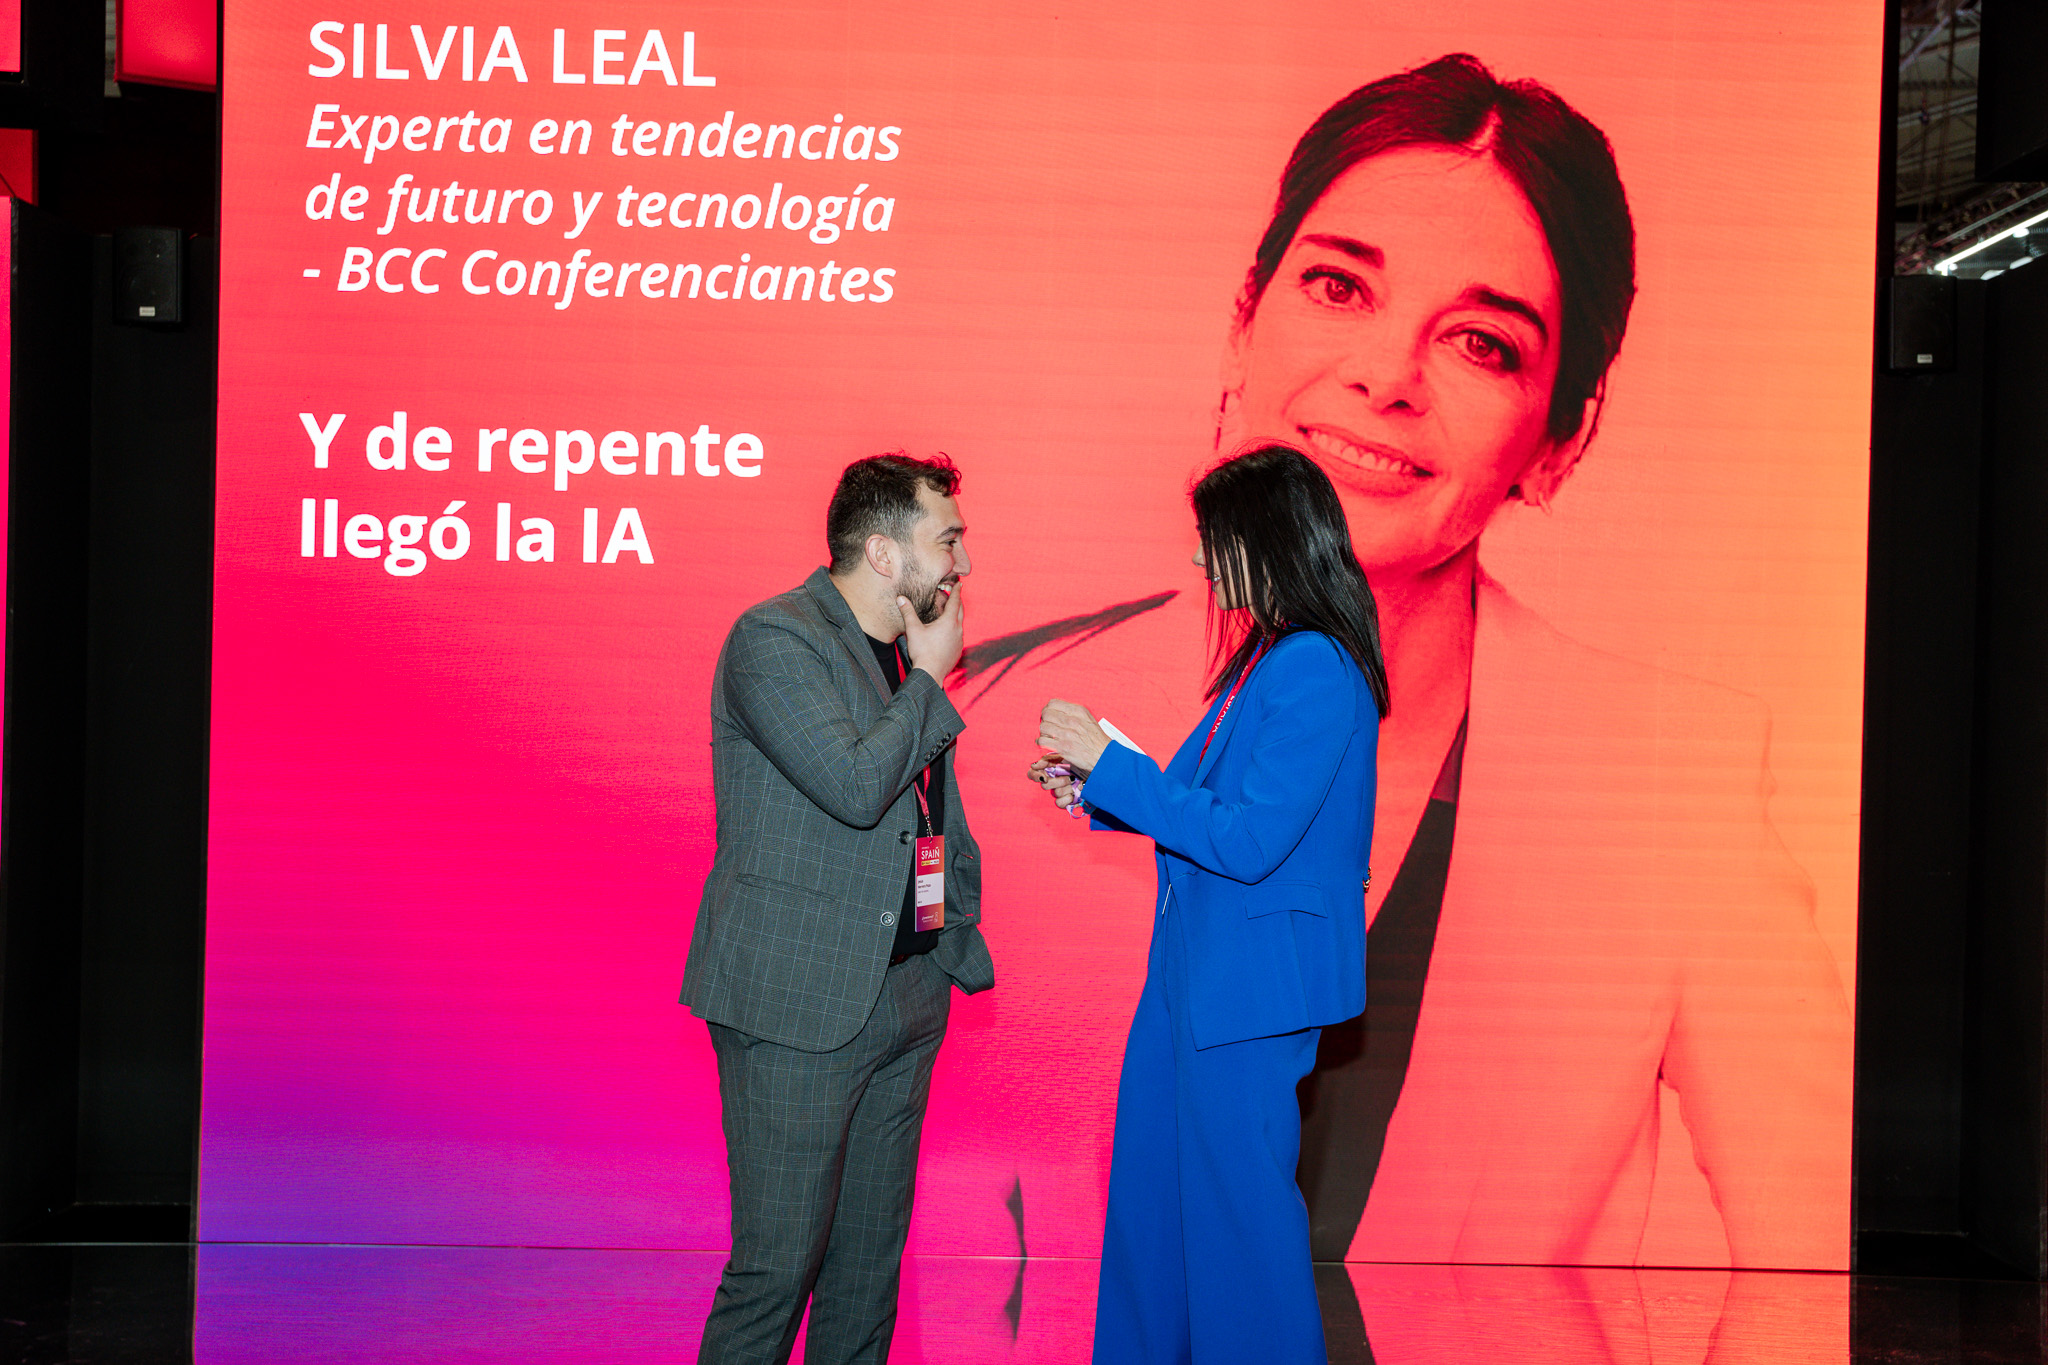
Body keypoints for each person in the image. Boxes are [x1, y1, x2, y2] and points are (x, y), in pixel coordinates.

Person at [1212, 50, 1851, 1282]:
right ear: (1243, 319)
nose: (1385, 377)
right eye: (1338, 286)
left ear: (1560, 437)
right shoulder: (1017, 709)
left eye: (1479, 343)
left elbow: (1810, 1243)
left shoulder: (1676, 786)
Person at [1031, 444, 1389, 1365]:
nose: (1198, 558)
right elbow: (1201, 801)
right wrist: (1098, 789)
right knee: (1156, 1206)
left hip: (1250, 988)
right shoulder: (1267, 660)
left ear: (1264, 537)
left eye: (1211, 537)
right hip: (1201, 977)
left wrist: (1114, 769)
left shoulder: (1314, 666)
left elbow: (1249, 839)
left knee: (1237, 1227)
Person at [683, 452, 996, 1365]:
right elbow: (856, 786)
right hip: (799, 1004)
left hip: (906, 997)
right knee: (778, 1270)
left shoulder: (902, 655)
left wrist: (949, 935)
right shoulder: (774, 638)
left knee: (864, 1276)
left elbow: (924, 816)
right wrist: (928, 683)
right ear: (884, 554)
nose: (963, 563)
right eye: (948, 539)